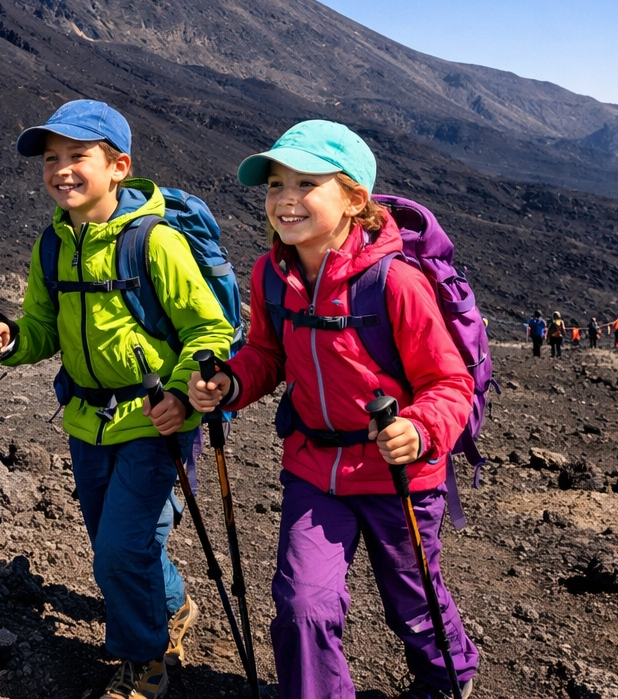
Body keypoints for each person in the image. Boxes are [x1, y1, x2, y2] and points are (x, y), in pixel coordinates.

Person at [190, 119, 478, 699]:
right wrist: (230, 383)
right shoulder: (271, 273)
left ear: (353, 199)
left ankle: (448, 677)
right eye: (276, 184)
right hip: (312, 469)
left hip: (399, 474)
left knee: (412, 598)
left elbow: (450, 382)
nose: (286, 199)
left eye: (306, 183)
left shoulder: (394, 282)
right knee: (301, 605)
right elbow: (268, 353)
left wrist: (419, 431)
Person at [0, 100, 233, 699]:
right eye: (51, 159)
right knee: (114, 541)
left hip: (153, 419)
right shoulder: (52, 245)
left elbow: (209, 330)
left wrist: (183, 396)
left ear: (118, 166)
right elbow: (43, 327)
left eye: (77, 156)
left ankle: (144, 664)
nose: (62, 170)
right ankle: (173, 603)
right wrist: (11, 341)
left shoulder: (155, 242)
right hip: (86, 420)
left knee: (120, 545)